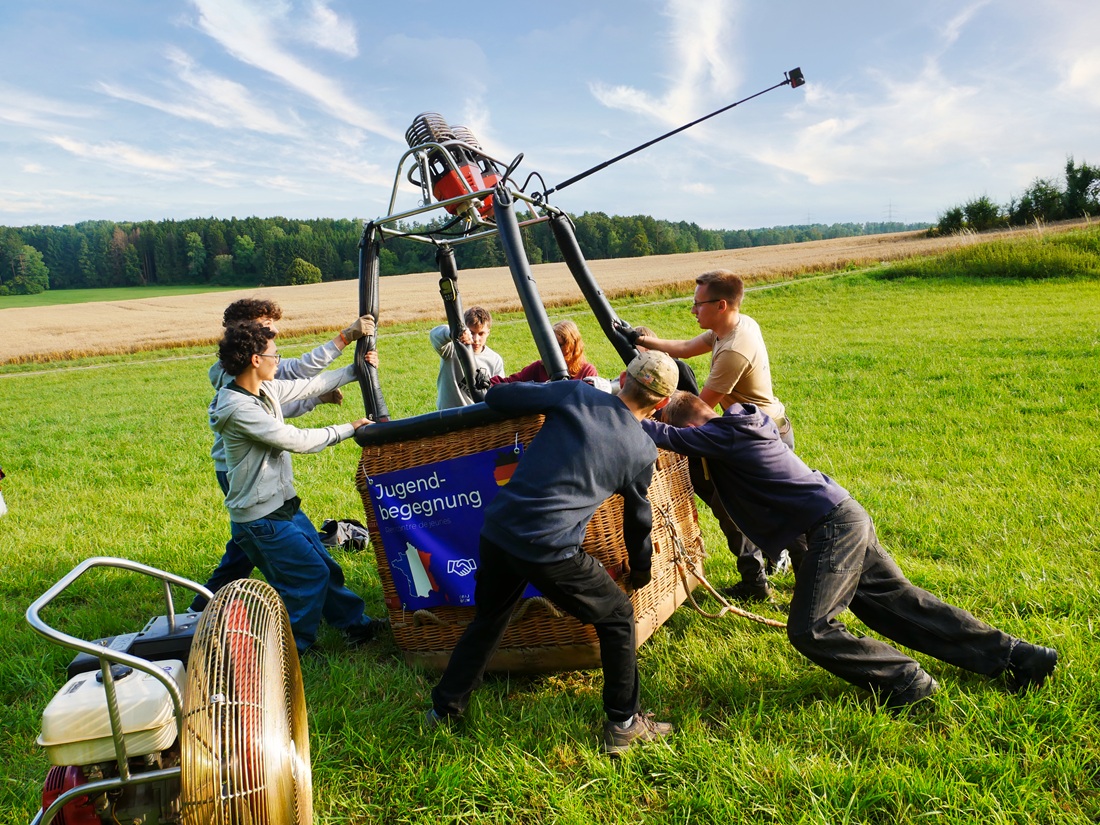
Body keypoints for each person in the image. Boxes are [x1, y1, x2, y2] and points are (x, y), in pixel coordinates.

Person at [641, 391, 1058, 709]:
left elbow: (660, 434)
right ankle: (1021, 657)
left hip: (833, 526)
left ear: (693, 425)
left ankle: (907, 683)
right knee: (898, 606)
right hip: (842, 514)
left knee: (811, 629)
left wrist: (612, 412)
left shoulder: (725, 432)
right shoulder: (737, 426)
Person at [426, 351, 680, 755]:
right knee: (617, 618)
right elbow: (638, 521)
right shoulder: (642, 452)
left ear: (621, 377)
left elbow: (498, 400)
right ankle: (623, 723)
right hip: (550, 549)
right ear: (661, 403)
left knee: (490, 617)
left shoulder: (576, 393)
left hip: (499, 531)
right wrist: (642, 568)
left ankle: (445, 708)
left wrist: (549, 393)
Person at [208, 321, 386, 653]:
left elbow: (310, 385)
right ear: (255, 360)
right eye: (275, 355)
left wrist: (355, 369)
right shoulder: (238, 409)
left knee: (325, 567)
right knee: (308, 578)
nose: (279, 360)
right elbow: (296, 440)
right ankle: (291, 649)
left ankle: (355, 626)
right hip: (261, 519)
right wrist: (348, 428)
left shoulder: (263, 390)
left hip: (283, 506)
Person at [618, 270, 790, 603]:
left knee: (738, 508)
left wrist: (641, 414)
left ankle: (768, 576)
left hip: (759, 438)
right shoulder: (732, 328)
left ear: (721, 305)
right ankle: (771, 565)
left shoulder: (733, 352)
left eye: (698, 304)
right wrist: (640, 340)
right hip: (754, 428)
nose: (693, 310)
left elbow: (700, 408)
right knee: (756, 509)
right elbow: (683, 348)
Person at [430, 306, 505, 409]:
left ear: (488, 333)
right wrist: (454, 333)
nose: (476, 339)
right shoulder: (451, 349)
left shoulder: (495, 360)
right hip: (448, 416)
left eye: (481, 333)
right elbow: (434, 335)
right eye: (471, 333)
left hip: (476, 416)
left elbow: (499, 392)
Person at [491, 319, 598, 384]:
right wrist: (487, 382)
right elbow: (509, 382)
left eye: (559, 345)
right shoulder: (540, 367)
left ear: (572, 346)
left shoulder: (587, 372)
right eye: (551, 345)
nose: (554, 350)